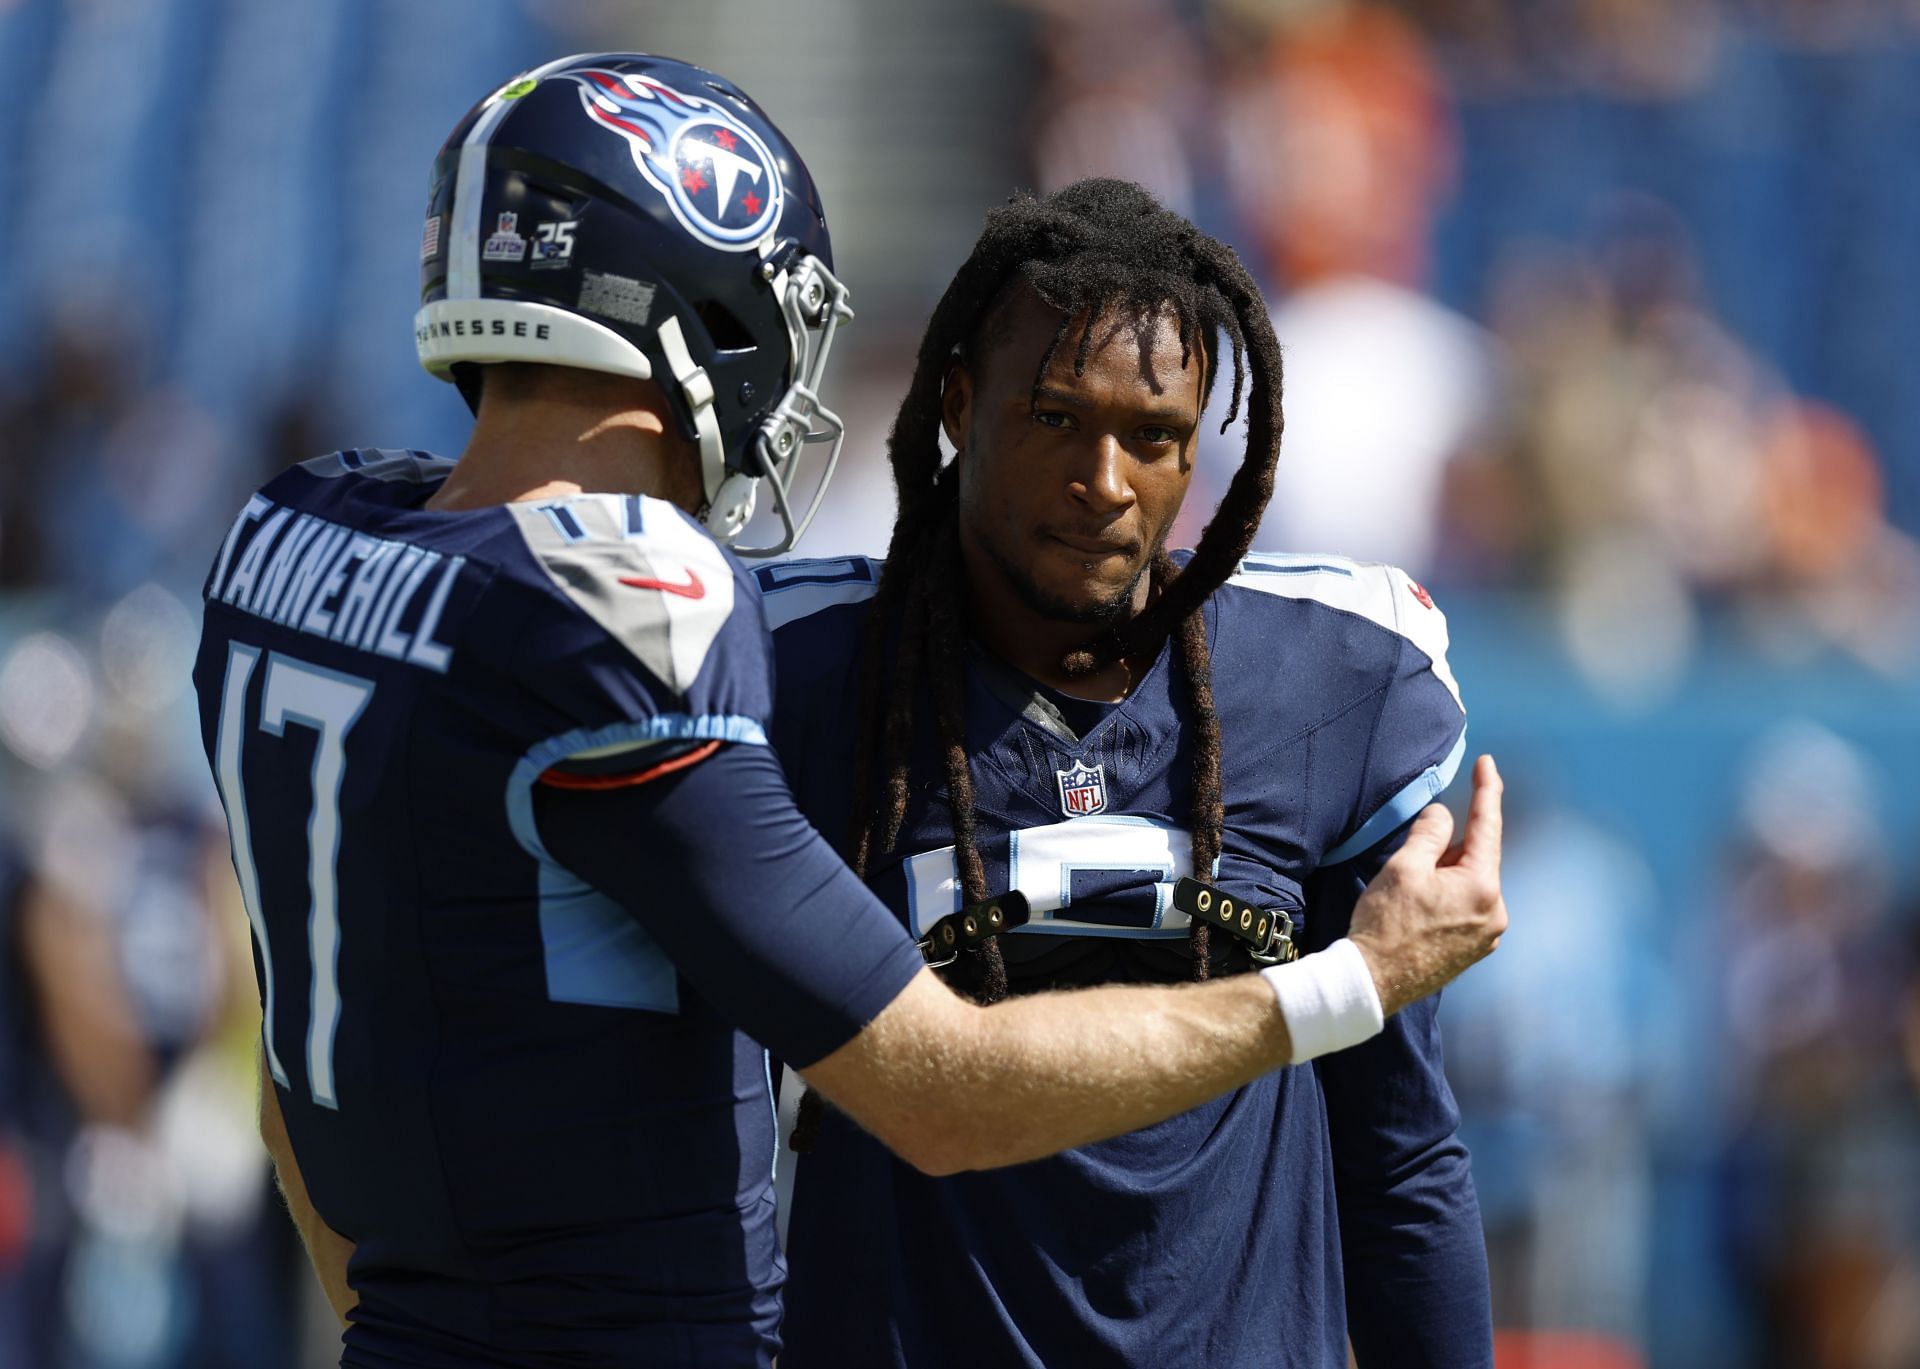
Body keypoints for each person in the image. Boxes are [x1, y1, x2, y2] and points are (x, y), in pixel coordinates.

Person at [191, 58, 1507, 1369]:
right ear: (695, 310)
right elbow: (937, 1087)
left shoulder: (295, 543)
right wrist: (1352, 983)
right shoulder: (625, 619)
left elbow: (299, 1096)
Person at [766, 179, 1494, 1367]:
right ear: (958, 402)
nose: (1105, 480)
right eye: (1057, 417)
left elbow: (1400, 1154)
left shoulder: (1332, 681)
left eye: (1152, 436)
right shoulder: (801, 678)